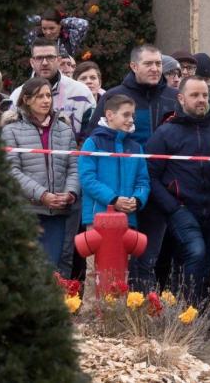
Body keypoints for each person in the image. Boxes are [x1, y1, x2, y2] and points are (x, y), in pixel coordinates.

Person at [86, 44, 178, 291]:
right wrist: (115, 195)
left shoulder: (172, 96)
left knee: (150, 259)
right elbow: (95, 138)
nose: (155, 68)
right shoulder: (114, 97)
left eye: (158, 63)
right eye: (149, 63)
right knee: (119, 263)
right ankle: (118, 317)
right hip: (121, 194)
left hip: (159, 190)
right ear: (133, 66)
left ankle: (144, 317)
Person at [146, 76, 210, 306]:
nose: (201, 100)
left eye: (204, 95)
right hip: (181, 209)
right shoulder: (165, 133)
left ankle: (196, 313)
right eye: (195, 95)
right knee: (195, 252)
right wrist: (173, 207)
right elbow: (150, 175)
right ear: (181, 99)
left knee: (206, 263)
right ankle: (190, 311)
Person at [78, 94, 150, 308]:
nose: (131, 120)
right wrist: (114, 199)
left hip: (126, 219)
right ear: (109, 115)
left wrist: (137, 199)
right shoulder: (93, 142)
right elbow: (87, 179)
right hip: (98, 217)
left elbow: (143, 180)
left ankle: (115, 316)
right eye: (126, 115)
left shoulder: (136, 147)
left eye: (133, 116)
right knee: (94, 270)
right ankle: (91, 315)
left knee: (121, 269)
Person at [1, 77, 79, 266]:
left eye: (48, 95)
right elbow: (11, 170)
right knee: (25, 266)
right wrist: (42, 194)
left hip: (57, 212)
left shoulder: (65, 129)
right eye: (39, 96)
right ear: (26, 100)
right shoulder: (10, 130)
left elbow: (74, 167)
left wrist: (70, 193)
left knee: (51, 266)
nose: (46, 100)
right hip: (26, 210)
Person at [10, 38, 96, 143]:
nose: (45, 63)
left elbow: (92, 136)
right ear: (32, 62)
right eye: (39, 58)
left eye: (50, 57)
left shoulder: (81, 92)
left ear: (59, 60)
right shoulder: (18, 95)